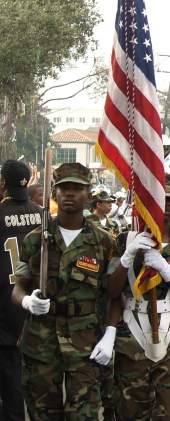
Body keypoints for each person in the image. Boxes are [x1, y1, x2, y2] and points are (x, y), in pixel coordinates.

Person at [11, 162, 118, 421]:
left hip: (86, 345)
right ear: (54, 195)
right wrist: (27, 302)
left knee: (83, 415)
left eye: (77, 188)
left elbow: (115, 294)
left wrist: (110, 335)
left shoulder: (104, 241)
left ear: (88, 195)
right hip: (41, 344)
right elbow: (18, 288)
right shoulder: (36, 239)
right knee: (42, 414)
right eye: (64, 188)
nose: (70, 193)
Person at [106, 175, 170, 421]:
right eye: (159, 200)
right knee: (131, 411)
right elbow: (113, 291)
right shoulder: (125, 240)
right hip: (131, 335)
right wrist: (127, 258)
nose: (165, 206)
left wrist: (165, 270)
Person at [0, 160, 43, 421]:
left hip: (5, 304)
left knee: (9, 376)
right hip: (35, 302)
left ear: (3, 183)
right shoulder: (41, 214)